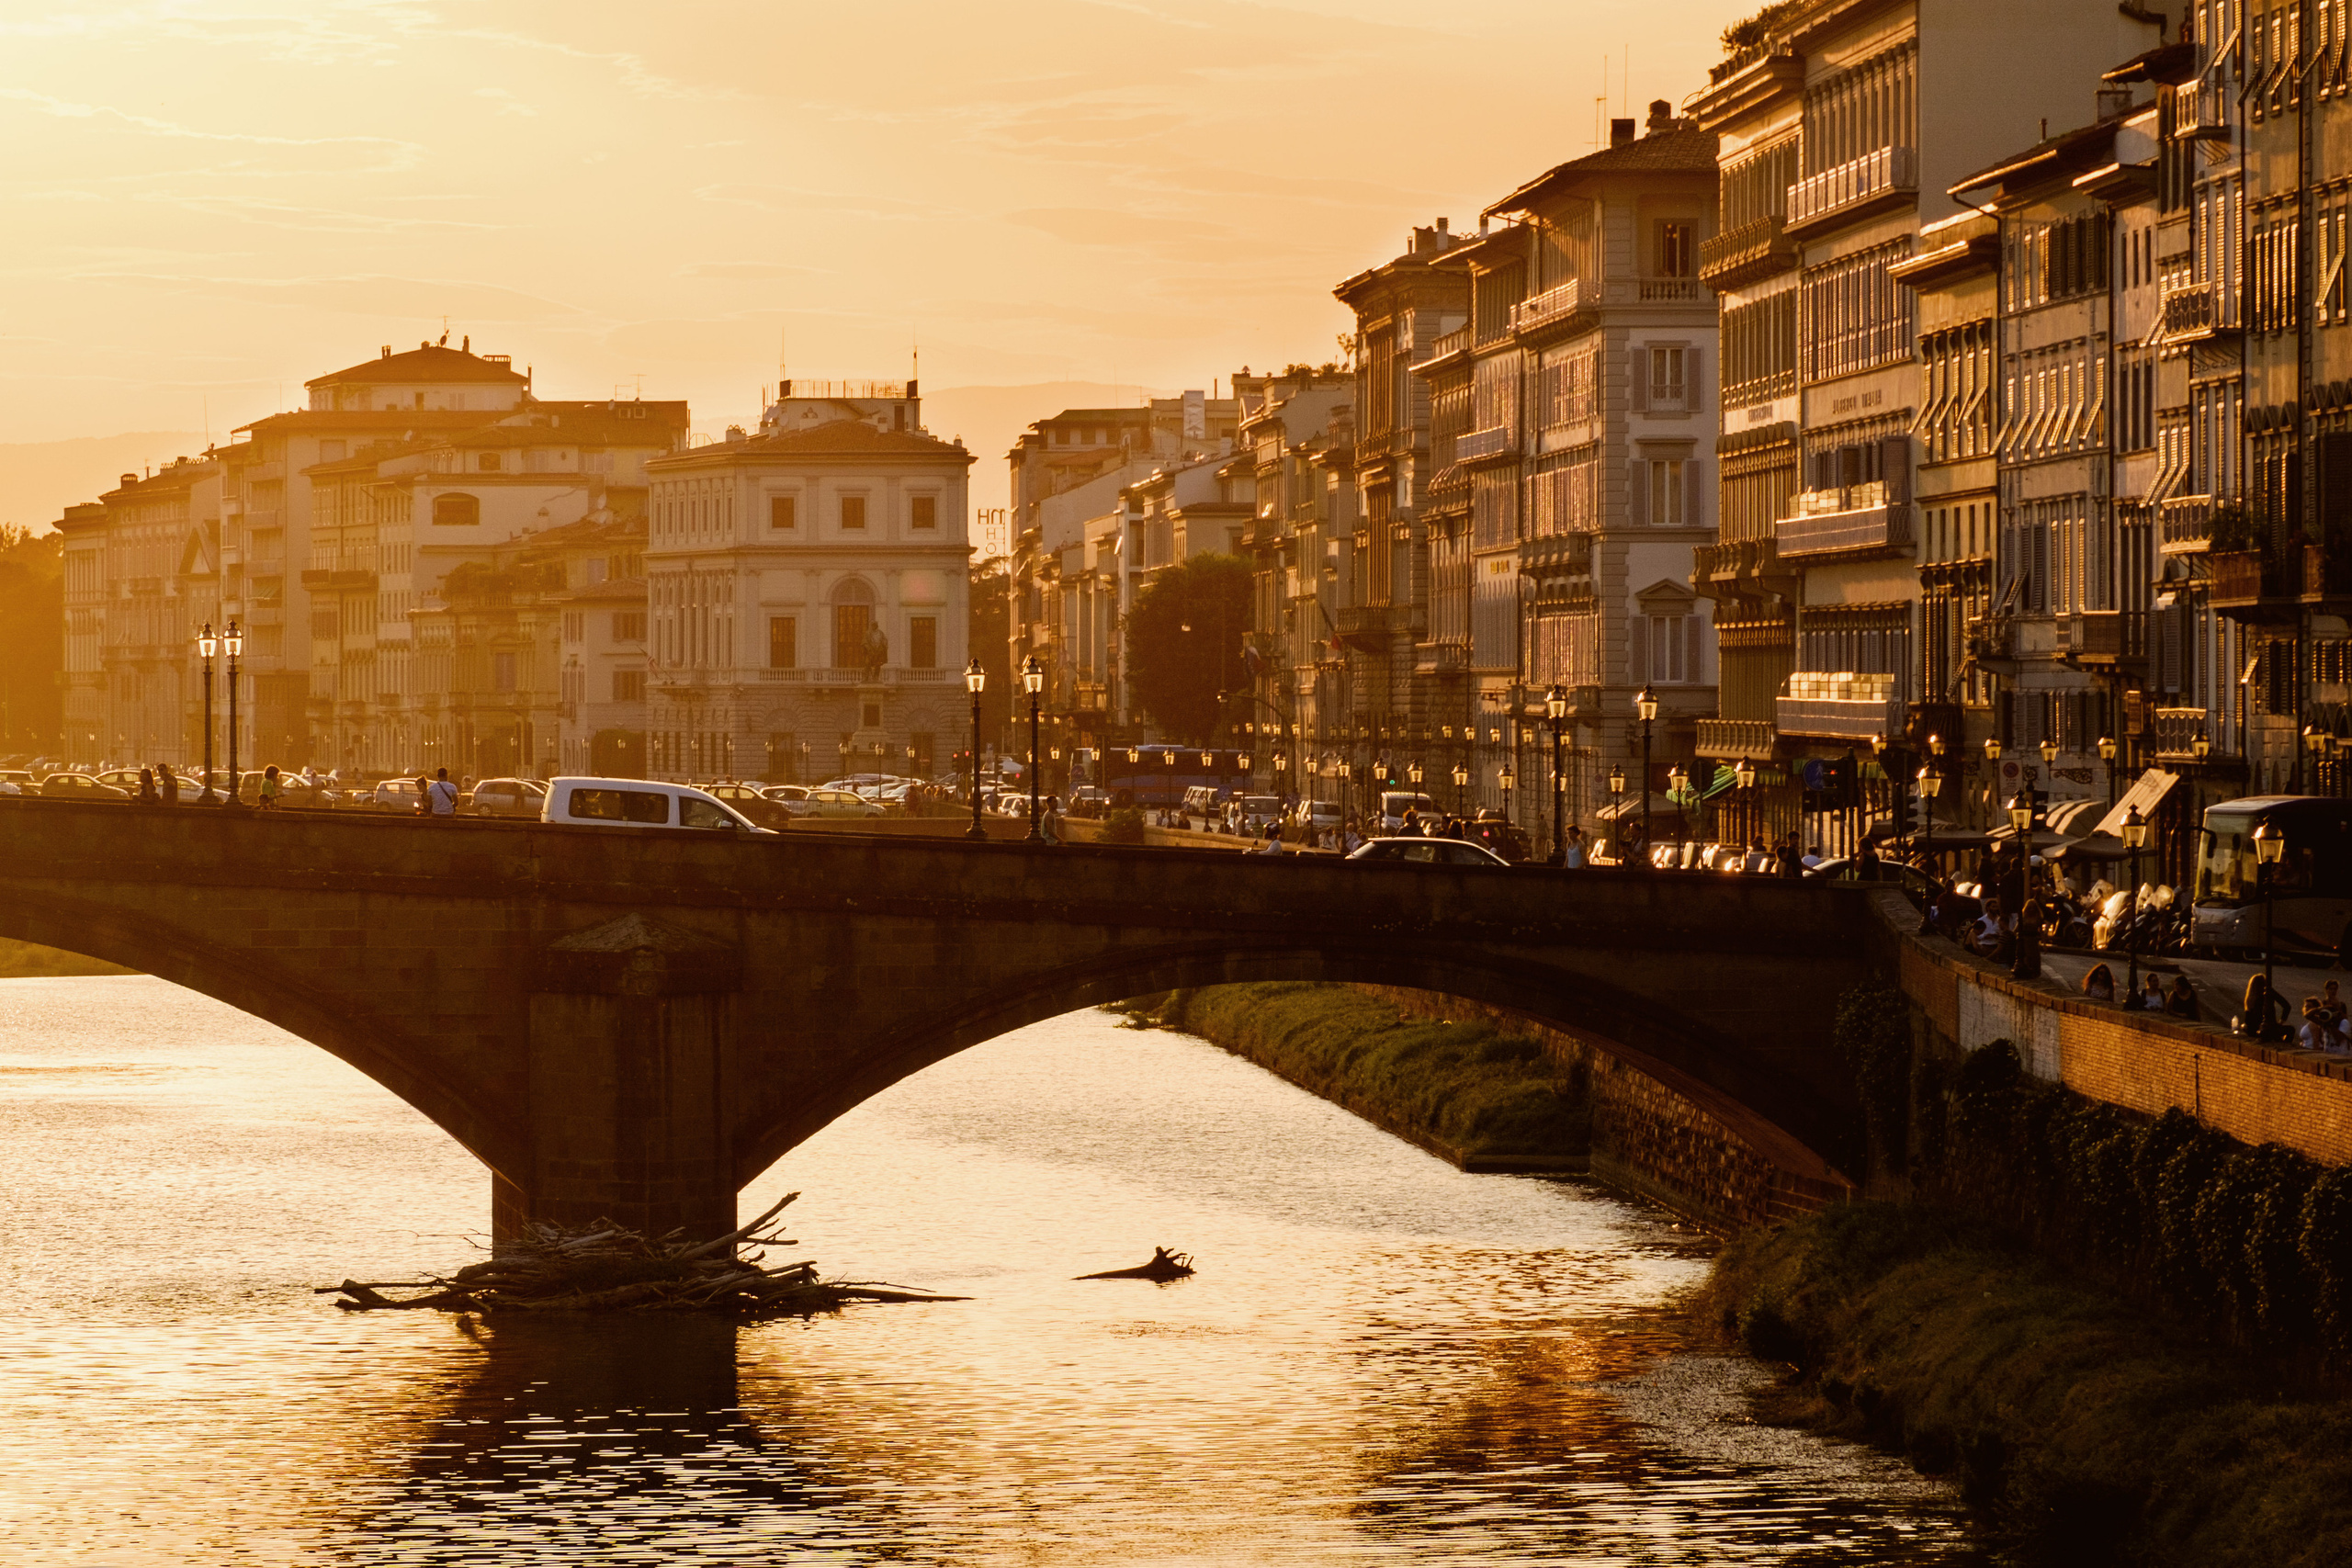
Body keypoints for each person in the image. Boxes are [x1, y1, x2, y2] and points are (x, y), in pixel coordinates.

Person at [2235, 973, 2288, 1040]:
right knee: (2291, 1030)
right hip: (2268, 1029)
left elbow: (2248, 1020)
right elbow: (2286, 1006)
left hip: (2253, 1031)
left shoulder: (2250, 999)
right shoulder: (2268, 993)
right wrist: (2281, 1022)